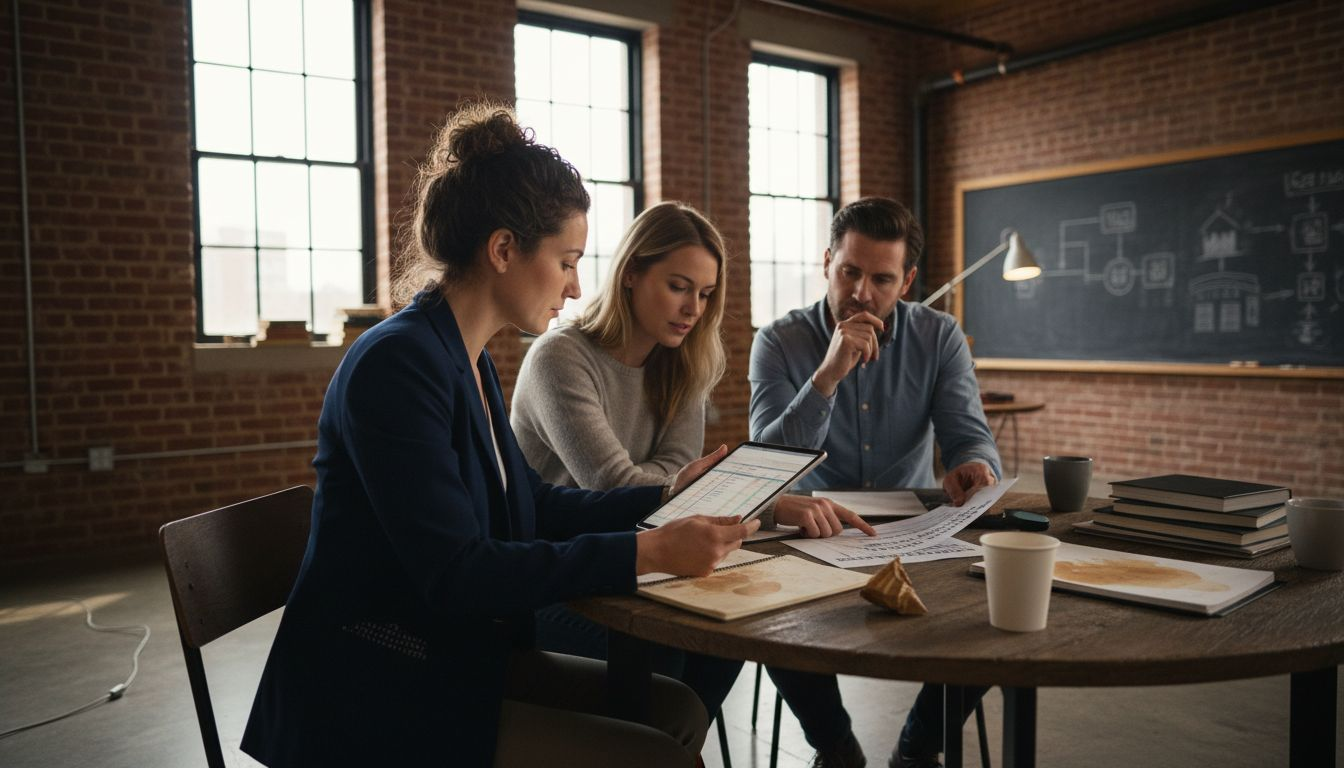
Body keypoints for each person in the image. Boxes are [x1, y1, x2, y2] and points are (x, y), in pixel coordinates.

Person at [240, 104, 760, 768]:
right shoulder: (396, 366)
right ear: (505, 250)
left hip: (450, 658)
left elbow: (533, 506)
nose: (576, 286)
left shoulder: (467, 356)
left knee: (680, 710)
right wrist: (647, 552)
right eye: (567, 260)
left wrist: (661, 497)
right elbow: (459, 573)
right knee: (656, 752)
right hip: (377, 689)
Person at [511, 200, 877, 768]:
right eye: (679, 286)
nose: (692, 309)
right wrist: (747, 499)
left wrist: (762, 503)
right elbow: (623, 491)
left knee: (745, 613)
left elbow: (683, 493)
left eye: (705, 295)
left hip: (644, 567)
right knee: (686, 647)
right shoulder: (560, 358)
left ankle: (686, 750)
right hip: (565, 579)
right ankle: (663, 750)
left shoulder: (683, 363)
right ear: (631, 272)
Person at [748, 196, 1003, 768]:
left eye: (881, 278)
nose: (862, 292)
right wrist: (827, 374)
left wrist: (975, 464)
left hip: (915, 530)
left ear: (907, 281)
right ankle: (836, 748)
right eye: (850, 272)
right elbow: (763, 468)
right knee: (763, 613)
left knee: (997, 613)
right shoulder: (779, 341)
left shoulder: (939, 337)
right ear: (826, 264)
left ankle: (918, 748)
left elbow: (969, 437)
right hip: (810, 533)